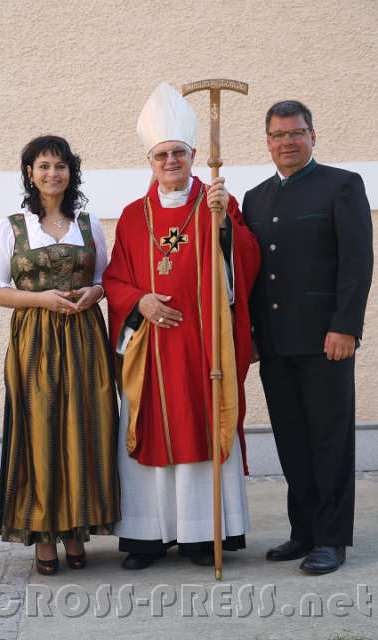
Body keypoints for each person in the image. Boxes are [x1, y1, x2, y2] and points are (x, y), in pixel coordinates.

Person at [103, 82, 260, 569]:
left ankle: (199, 537)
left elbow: (245, 263)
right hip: (150, 349)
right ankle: (147, 538)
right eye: (161, 154)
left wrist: (225, 230)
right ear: (150, 161)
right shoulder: (132, 217)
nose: (170, 161)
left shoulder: (218, 206)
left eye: (178, 153)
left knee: (203, 423)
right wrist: (141, 301)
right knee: (149, 428)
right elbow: (113, 279)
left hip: (204, 345)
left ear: (194, 155)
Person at [243, 100, 373, 575]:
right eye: (277, 136)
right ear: (268, 142)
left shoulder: (341, 185)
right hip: (276, 343)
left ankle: (332, 540)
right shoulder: (254, 198)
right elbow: (252, 273)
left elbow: (358, 263)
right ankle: (304, 531)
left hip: (326, 340)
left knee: (329, 440)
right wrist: (253, 335)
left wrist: (346, 327)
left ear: (312, 136)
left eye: (295, 133)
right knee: (292, 440)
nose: (287, 143)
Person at [0, 135, 120, 575]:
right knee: (40, 429)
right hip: (35, 341)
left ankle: (77, 531)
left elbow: (105, 280)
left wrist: (91, 294)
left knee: (85, 427)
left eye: (60, 166)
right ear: (29, 173)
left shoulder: (87, 221)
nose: (52, 174)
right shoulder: (12, 226)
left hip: (83, 336)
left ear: (70, 173)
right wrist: (43, 300)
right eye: (43, 166)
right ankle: (43, 536)